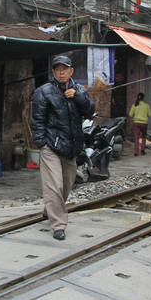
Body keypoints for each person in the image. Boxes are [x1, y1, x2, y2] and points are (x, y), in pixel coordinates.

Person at [30, 55, 95, 241]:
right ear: (53, 72)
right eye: (58, 69)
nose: (61, 72)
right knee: (54, 184)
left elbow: (90, 111)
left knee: (67, 184)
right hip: (50, 145)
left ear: (71, 71)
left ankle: (49, 209)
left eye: (65, 69)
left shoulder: (79, 90)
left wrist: (79, 97)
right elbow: (37, 120)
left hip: (71, 146)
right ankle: (58, 224)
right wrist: (41, 143)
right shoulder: (44, 92)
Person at [128, 92, 151, 156]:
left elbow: (130, 114)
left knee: (136, 137)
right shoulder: (146, 105)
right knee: (144, 136)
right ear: (143, 98)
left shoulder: (134, 105)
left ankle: (136, 152)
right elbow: (150, 114)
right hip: (144, 123)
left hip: (136, 123)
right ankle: (143, 150)